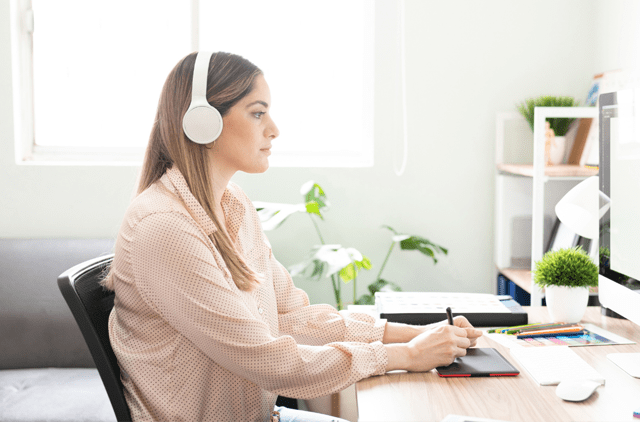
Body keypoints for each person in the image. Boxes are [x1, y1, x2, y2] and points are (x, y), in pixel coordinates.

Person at [103, 51, 483, 422]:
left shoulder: (232, 205)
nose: (274, 129)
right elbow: (269, 361)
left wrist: (410, 335)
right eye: (257, 113)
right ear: (203, 123)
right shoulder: (164, 228)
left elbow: (290, 316)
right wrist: (406, 356)